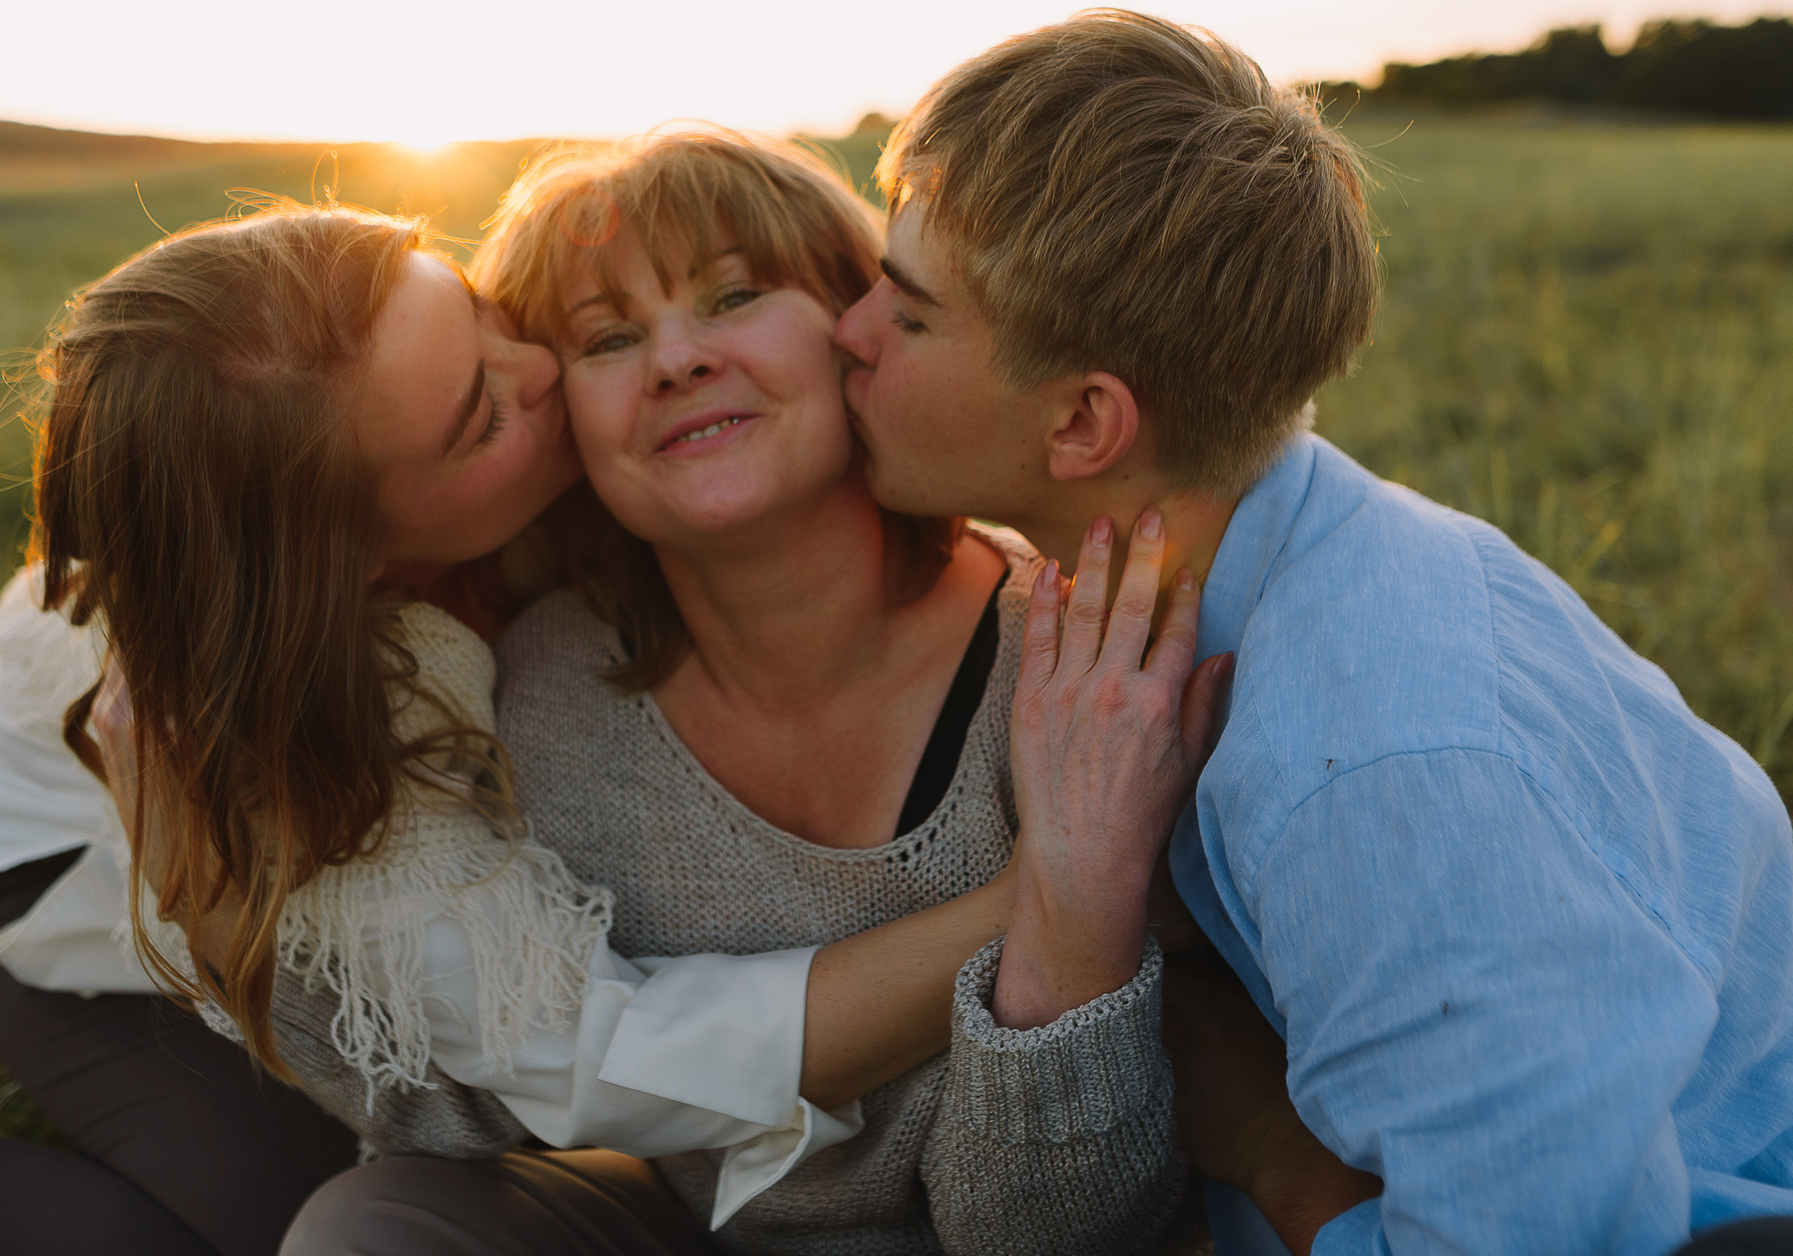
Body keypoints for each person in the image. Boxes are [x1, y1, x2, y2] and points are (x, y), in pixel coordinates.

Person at [828, 8, 1793, 1255]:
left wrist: (1275, 1153)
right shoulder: (1240, 569)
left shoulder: (1381, 760)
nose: (846, 329)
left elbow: (1536, 1236)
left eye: (906, 315)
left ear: (1083, 426)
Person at [0, 199, 1055, 1256]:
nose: (536, 369)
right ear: (364, 562)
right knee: (289, 1225)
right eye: (477, 418)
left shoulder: (394, 388)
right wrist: (1061, 905)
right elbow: (601, 1061)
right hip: (79, 895)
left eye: (473, 314)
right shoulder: (317, 699)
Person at [282, 128, 1223, 1255]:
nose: (674, 359)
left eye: (732, 297)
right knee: (372, 1223)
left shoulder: (1070, 662)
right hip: (689, 1238)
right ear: (566, 418)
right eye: (609, 337)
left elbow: (1044, 1231)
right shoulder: (531, 696)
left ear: (863, 327)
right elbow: (437, 1091)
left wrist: (1080, 911)